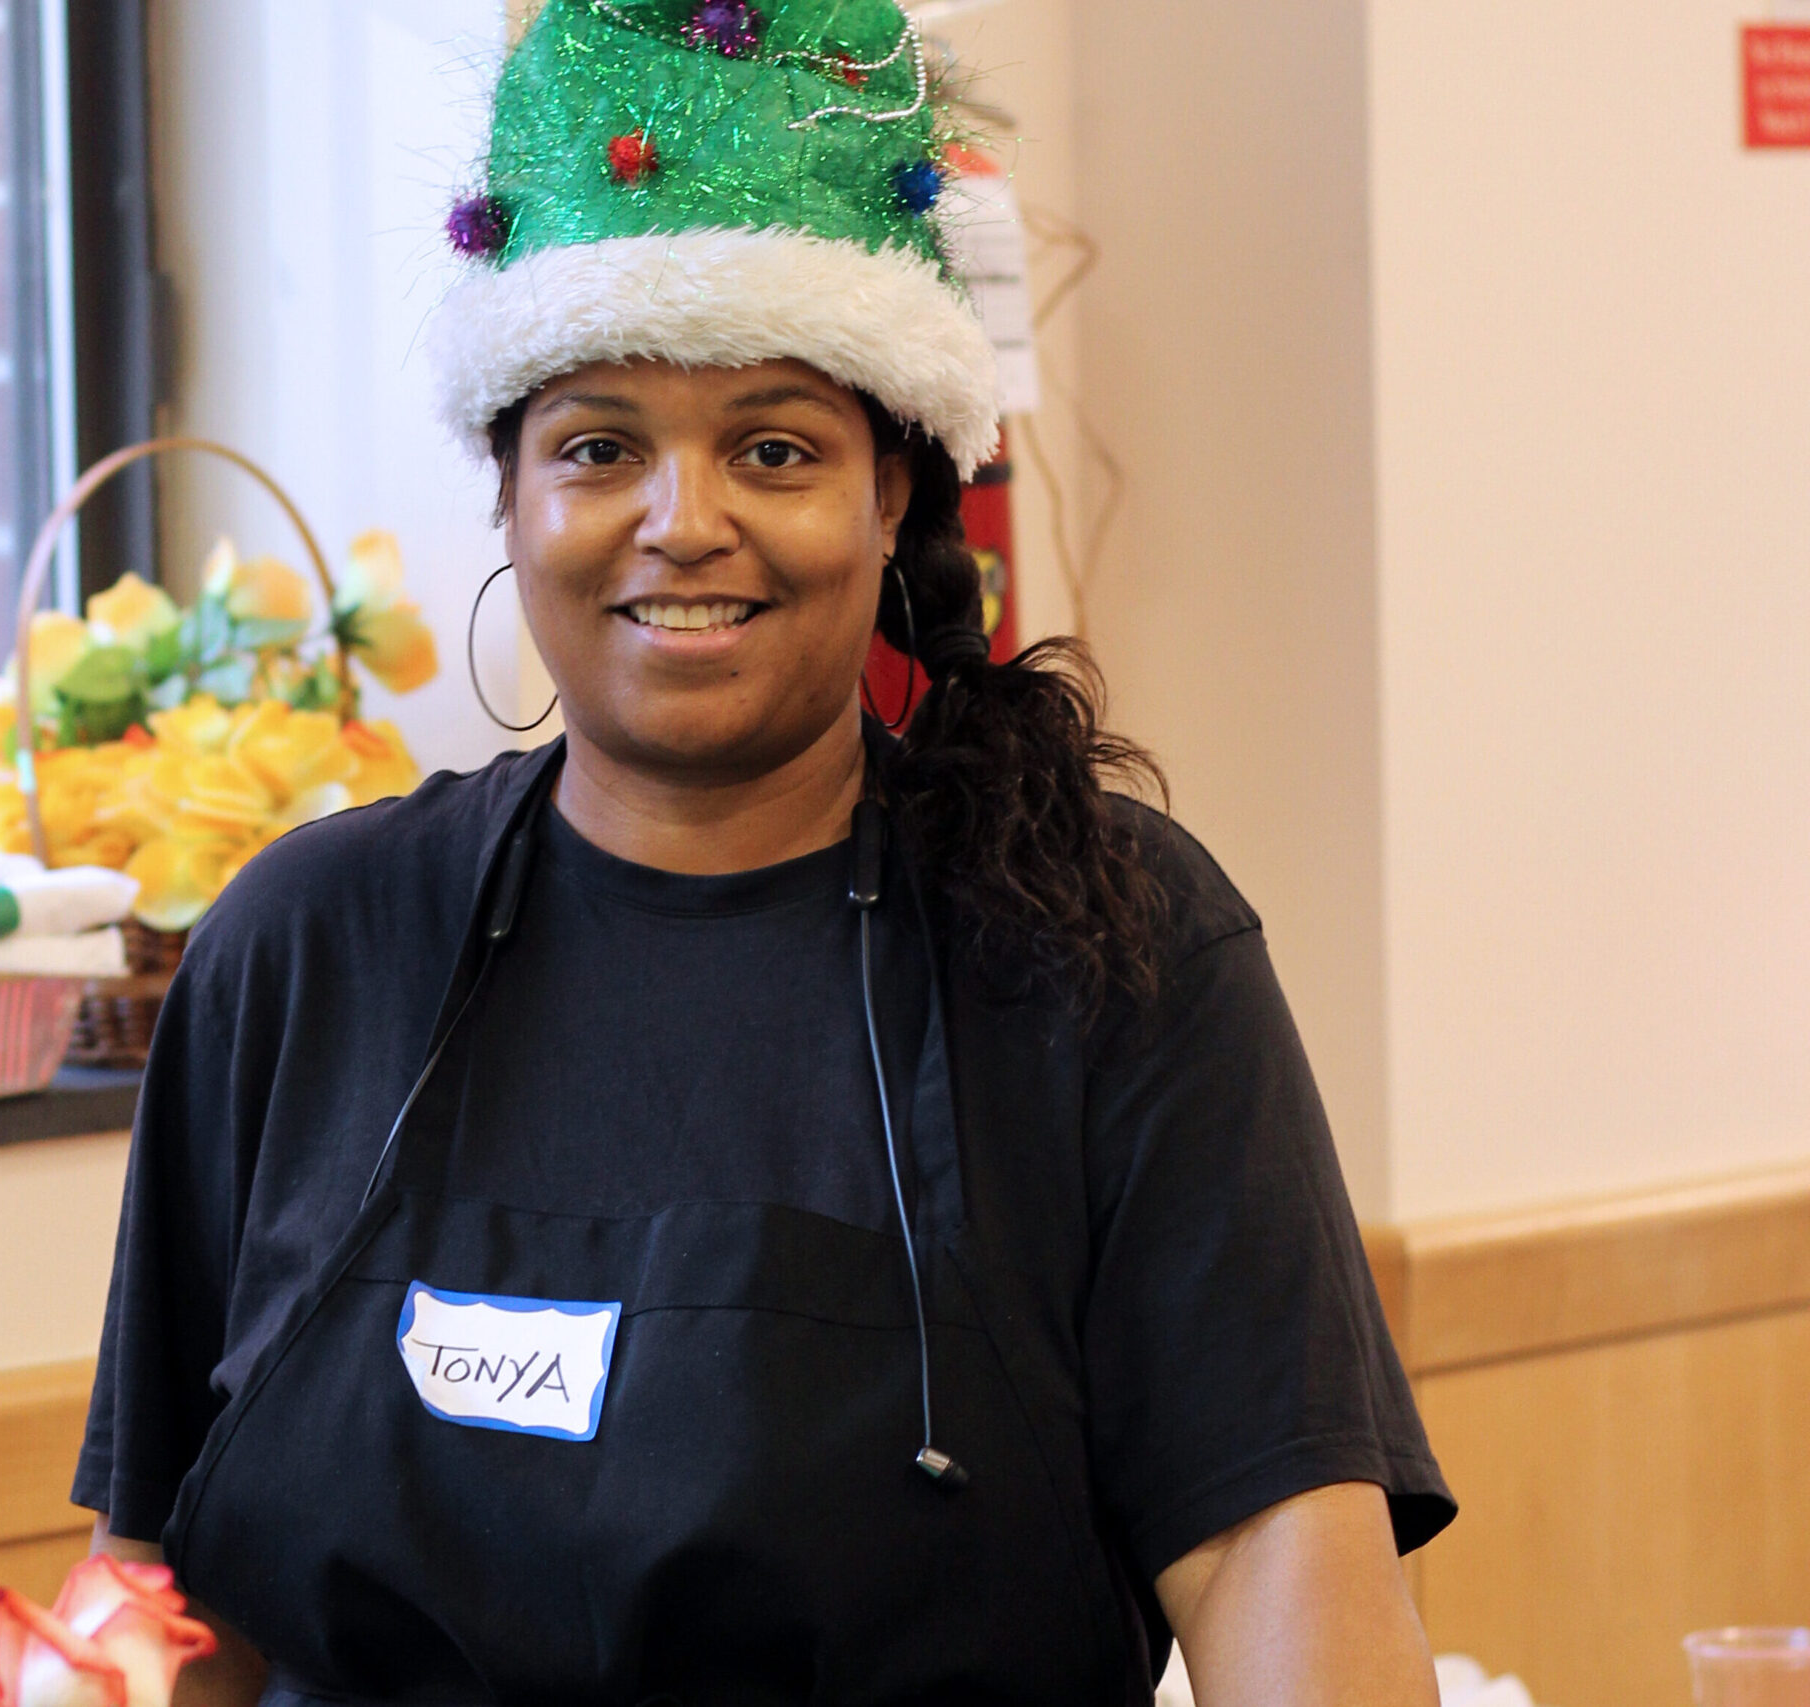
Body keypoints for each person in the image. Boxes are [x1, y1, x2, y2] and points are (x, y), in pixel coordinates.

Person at [73, 3, 1453, 1702]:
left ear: (892, 498)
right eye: (596, 447)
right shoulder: (308, 942)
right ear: (506, 493)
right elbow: (159, 1591)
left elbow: (1276, 1561)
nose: (684, 520)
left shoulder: (1109, 949)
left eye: (776, 448)